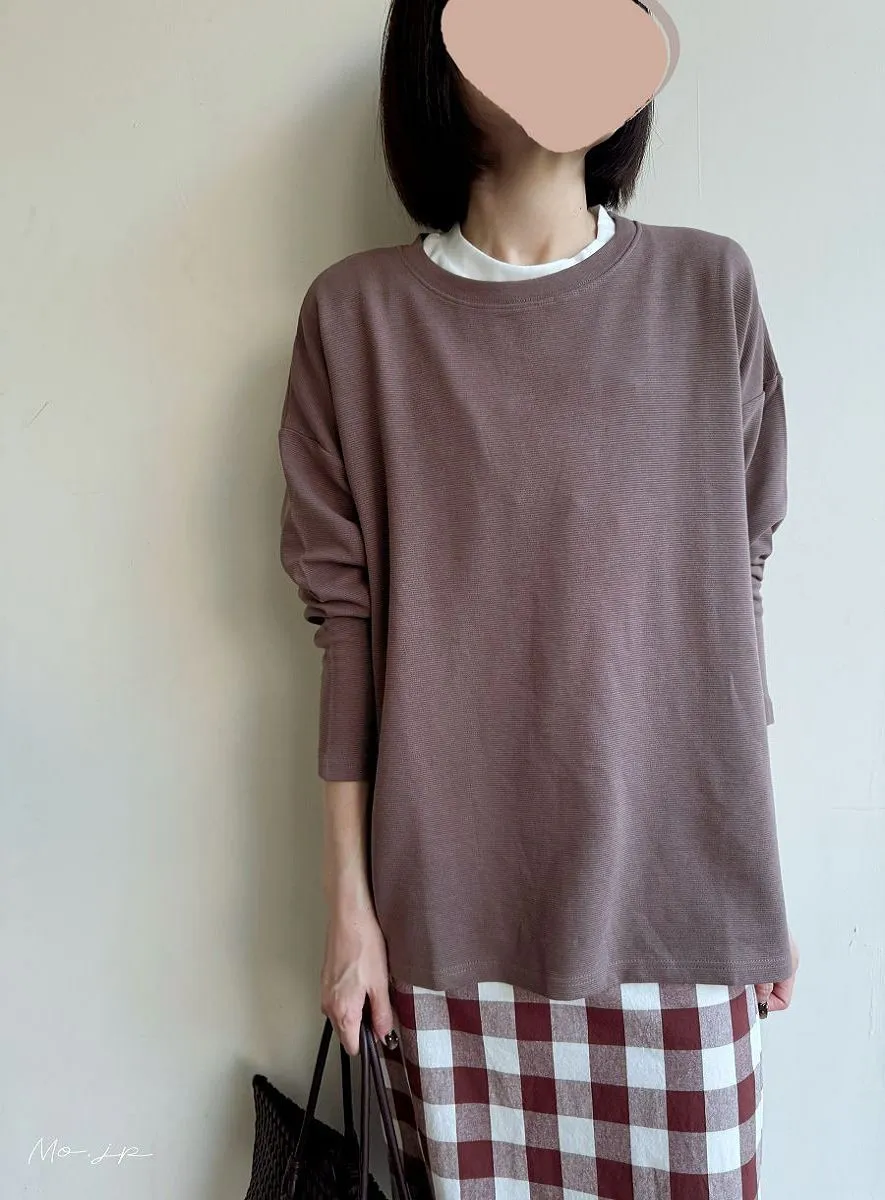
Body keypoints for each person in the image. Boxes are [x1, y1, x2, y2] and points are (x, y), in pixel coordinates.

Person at [276, 2, 800, 1196]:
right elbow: (345, 626)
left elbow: (732, 596)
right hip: (447, 926)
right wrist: (349, 909)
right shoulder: (356, 319)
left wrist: (752, 889)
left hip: (677, 909)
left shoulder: (707, 289)